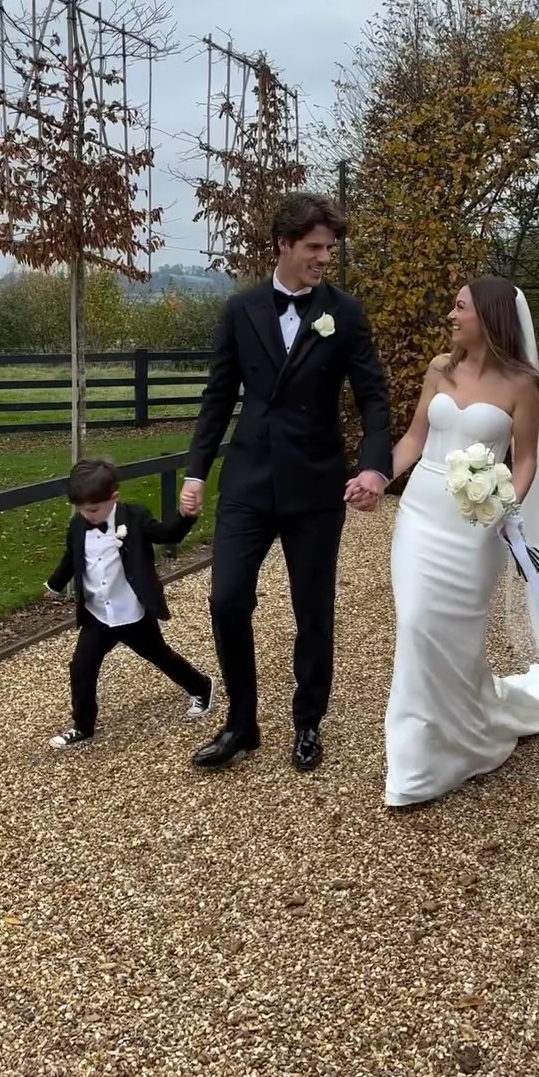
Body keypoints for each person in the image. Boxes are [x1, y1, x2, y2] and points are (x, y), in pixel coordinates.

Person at [385, 278, 539, 807]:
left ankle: (473, 730)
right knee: (416, 622)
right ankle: (416, 764)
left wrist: (503, 508)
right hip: (421, 516)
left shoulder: (523, 383)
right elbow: (414, 439)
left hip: (478, 529)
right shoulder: (438, 370)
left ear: (489, 318)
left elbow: (526, 461)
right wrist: (379, 477)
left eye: (459, 306)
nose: (450, 313)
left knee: (458, 637)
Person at [180, 191, 391, 771]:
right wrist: (196, 470)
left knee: (313, 610)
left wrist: (374, 465)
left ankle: (308, 722)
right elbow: (218, 396)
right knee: (225, 602)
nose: (325, 257)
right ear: (284, 245)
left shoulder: (344, 313)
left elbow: (373, 398)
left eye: (330, 248)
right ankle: (241, 724)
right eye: (315, 247)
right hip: (248, 482)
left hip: (316, 486)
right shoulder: (241, 309)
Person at [45, 457, 214, 749]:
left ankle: (201, 686)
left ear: (113, 498)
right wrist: (55, 584)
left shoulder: (134, 518)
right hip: (98, 614)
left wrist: (186, 516)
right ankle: (83, 725)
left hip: (132, 612)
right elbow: (71, 559)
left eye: (94, 509)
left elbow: (166, 535)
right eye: (82, 509)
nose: (88, 515)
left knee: (160, 655)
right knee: (81, 666)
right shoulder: (77, 525)